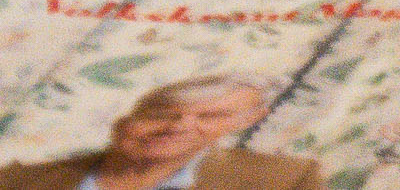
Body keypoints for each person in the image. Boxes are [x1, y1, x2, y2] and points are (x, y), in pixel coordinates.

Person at [0, 80, 314, 190]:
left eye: (207, 116)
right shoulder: (16, 180)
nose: (177, 126)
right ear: (123, 123)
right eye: (161, 114)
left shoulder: (283, 180)